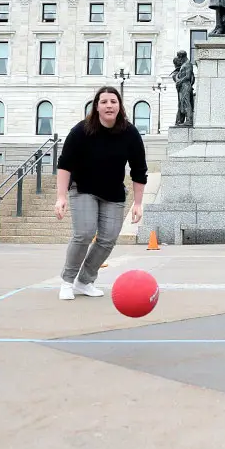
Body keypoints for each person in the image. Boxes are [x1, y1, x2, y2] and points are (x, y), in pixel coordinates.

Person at [54, 86, 147, 301]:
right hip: (84, 188)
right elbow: (64, 164)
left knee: (108, 239)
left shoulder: (130, 133)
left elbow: (139, 170)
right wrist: (61, 197)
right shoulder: (81, 130)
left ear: (119, 107)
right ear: (96, 106)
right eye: (104, 102)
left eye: (113, 102)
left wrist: (138, 204)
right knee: (85, 233)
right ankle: (68, 281)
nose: (109, 106)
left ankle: (85, 281)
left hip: (113, 192)